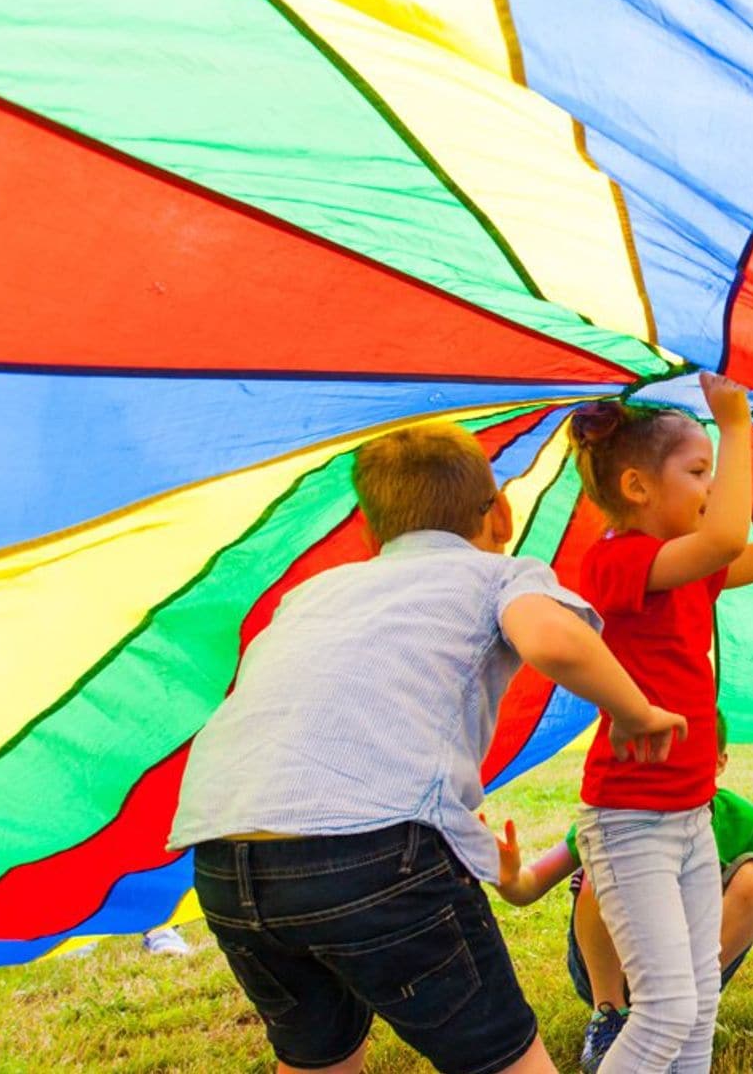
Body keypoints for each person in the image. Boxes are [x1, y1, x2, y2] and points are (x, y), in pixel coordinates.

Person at [166, 423, 683, 1074]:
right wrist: (636, 714)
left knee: (316, 1060)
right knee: (501, 1061)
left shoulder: (312, 592)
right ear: (500, 513)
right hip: (371, 850)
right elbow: (552, 641)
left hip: (226, 858)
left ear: (371, 534)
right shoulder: (498, 573)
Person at [566, 375, 753, 1074]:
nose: (713, 485)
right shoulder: (618, 561)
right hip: (630, 818)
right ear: (638, 487)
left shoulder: (686, 569)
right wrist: (736, 429)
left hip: (688, 813)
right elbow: (719, 541)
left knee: (700, 998)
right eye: (698, 469)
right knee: (667, 1007)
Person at [489, 718, 753, 1073]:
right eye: (662, 759)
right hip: (613, 969)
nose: (674, 773)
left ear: (719, 764)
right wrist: (509, 878)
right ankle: (608, 1018)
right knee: (602, 865)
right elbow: (529, 887)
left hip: (693, 970)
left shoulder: (742, 822)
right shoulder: (619, 818)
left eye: (691, 759)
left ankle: (690, 1014)